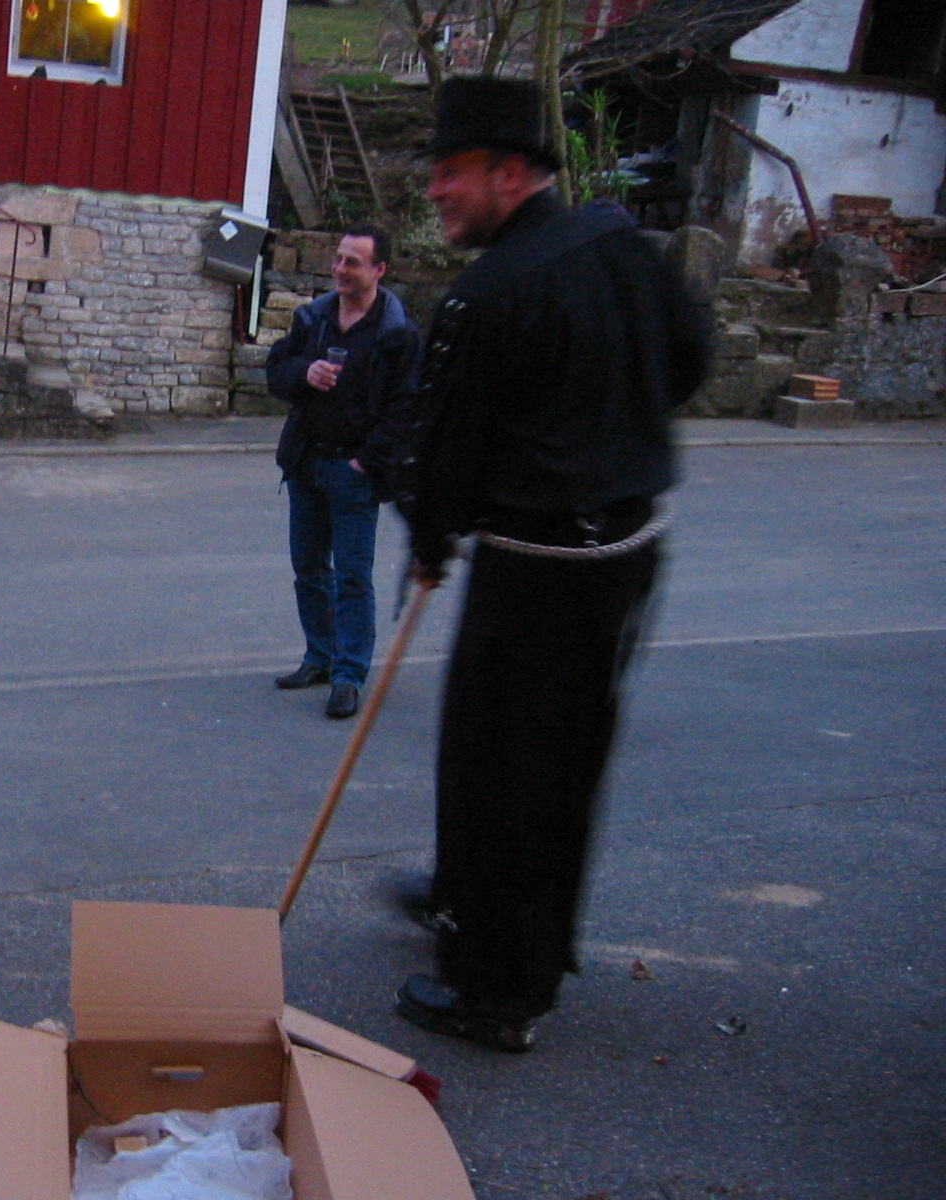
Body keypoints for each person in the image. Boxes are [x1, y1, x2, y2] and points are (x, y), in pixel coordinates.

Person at [381, 77, 712, 1051]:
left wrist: (431, 541)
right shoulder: (627, 247)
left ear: (510, 174)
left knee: (512, 777)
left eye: (452, 172)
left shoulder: (486, 294)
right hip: (622, 556)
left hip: (539, 573)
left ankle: (498, 993)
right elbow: (689, 360)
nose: (436, 190)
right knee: (535, 762)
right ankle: (464, 899)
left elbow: (444, 447)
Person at [266, 224, 421, 719]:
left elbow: (407, 408)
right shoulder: (313, 318)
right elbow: (277, 373)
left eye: (352, 262)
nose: (339, 268)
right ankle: (320, 656)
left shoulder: (397, 333)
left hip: (353, 472)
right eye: (337, 258)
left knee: (353, 578)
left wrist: (365, 462)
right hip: (307, 462)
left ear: (379, 270)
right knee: (309, 570)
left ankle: (348, 675)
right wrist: (304, 372)